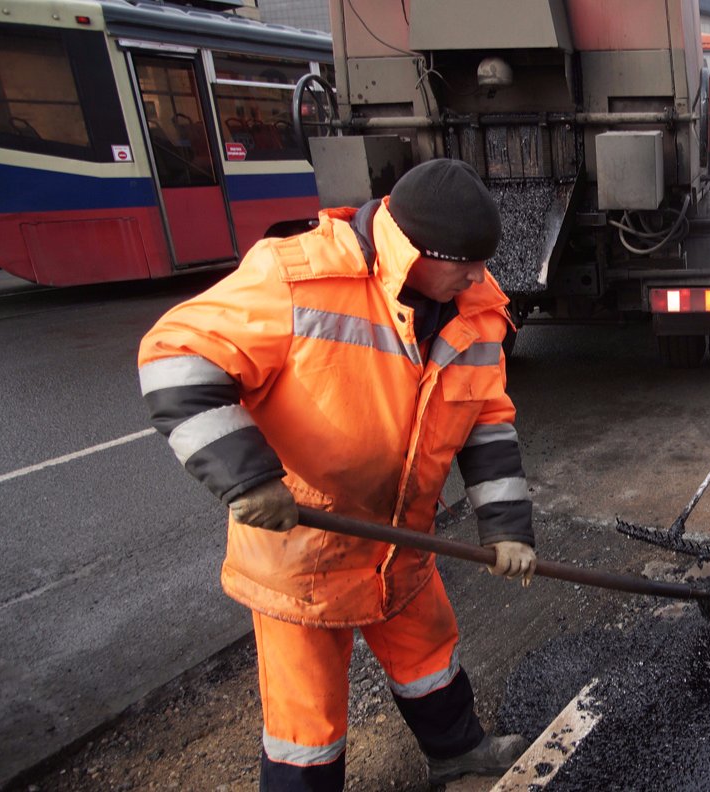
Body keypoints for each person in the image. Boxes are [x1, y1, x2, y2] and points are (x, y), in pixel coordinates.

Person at [138, 159, 537, 791]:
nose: (477, 275)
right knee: (308, 723)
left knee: (429, 657)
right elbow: (176, 360)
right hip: (305, 553)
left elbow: (486, 424)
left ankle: (457, 753)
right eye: (464, 262)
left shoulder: (476, 311)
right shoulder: (296, 277)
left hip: (402, 541)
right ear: (414, 252)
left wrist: (508, 529)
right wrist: (248, 482)